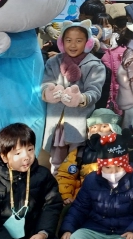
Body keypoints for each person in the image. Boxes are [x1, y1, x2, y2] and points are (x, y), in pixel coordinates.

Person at [60, 131, 133, 239]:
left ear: (126, 164)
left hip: (123, 232)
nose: (113, 172)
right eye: (108, 167)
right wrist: (68, 228)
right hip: (94, 228)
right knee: (76, 238)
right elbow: (79, 207)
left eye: (119, 167)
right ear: (100, 166)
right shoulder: (91, 180)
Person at [41, 21, 106, 174]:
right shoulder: (53, 62)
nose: (73, 45)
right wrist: (47, 92)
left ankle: (73, 186)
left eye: (79, 40)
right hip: (56, 121)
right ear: (62, 42)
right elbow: (45, 83)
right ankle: (56, 185)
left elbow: (95, 91)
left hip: (78, 121)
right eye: (68, 40)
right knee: (55, 160)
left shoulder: (95, 65)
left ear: (88, 42)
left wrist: (81, 98)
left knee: (75, 161)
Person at [55, 109, 122, 205]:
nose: (98, 131)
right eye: (94, 127)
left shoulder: (120, 152)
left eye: (104, 126)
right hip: (82, 201)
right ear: (88, 131)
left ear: (114, 130)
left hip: (111, 203)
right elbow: (65, 176)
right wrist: (66, 196)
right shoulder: (79, 153)